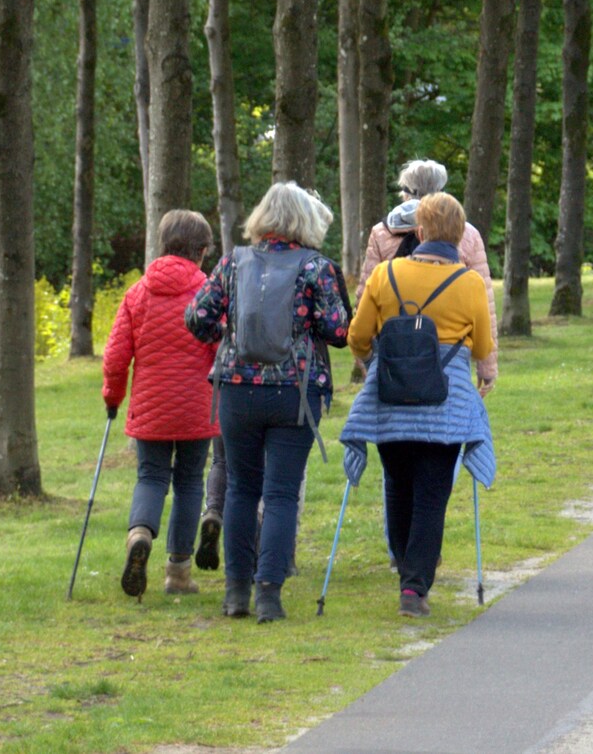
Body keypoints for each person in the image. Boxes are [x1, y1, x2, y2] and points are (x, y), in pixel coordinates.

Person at [186, 182, 349, 623]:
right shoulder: (316, 267)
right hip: (294, 393)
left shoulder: (232, 263)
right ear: (305, 221)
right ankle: (269, 595)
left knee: (240, 489)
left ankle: (235, 592)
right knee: (280, 494)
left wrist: (229, 336)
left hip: (237, 389)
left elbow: (196, 317)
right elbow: (338, 331)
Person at [342, 192, 496, 618]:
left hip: (390, 400)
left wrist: (380, 359)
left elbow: (357, 337)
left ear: (421, 231)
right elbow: (482, 345)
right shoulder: (468, 282)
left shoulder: (386, 274)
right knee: (432, 493)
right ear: (460, 234)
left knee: (397, 482)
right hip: (443, 406)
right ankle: (414, 588)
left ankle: (404, 567)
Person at [102, 210, 219, 602]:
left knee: (151, 477)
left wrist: (112, 396)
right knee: (188, 483)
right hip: (195, 408)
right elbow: (221, 348)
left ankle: (139, 534)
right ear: (201, 251)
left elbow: (117, 356)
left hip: (150, 405)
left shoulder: (138, 292)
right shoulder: (208, 291)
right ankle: (178, 572)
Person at [357, 159, 498, 396]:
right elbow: (484, 305)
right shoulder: (466, 233)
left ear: (406, 193)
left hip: (394, 356)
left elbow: (365, 299)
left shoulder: (382, 233)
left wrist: (368, 362)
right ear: (441, 190)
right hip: (449, 357)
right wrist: (487, 367)